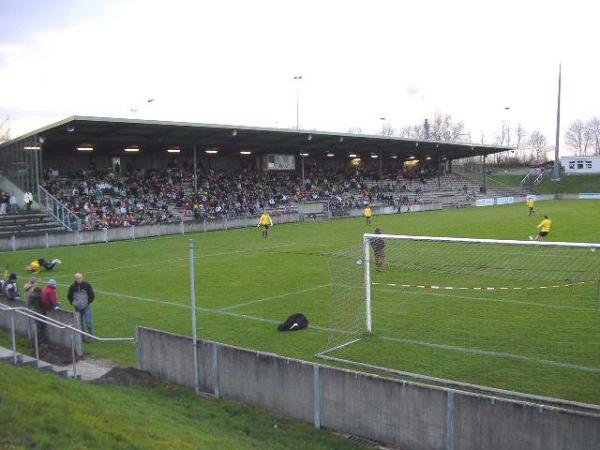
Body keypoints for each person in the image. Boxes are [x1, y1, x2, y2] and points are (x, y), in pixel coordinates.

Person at [67, 273, 95, 337]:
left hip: (86, 307)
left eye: (80, 278)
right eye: (77, 278)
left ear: (82, 278)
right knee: (80, 322)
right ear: (75, 279)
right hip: (77, 308)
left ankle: (91, 335)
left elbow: (92, 295)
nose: (79, 279)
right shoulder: (72, 287)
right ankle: (83, 336)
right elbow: (69, 296)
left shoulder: (87, 285)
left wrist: (88, 302)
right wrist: (73, 303)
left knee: (88, 321)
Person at [25, 277, 45, 344]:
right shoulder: (34, 291)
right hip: (37, 310)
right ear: (34, 283)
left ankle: (36, 341)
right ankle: (37, 342)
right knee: (39, 326)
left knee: (37, 326)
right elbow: (38, 297)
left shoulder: (30, 290)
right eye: (37, 282)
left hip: (34, 310)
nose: (38, 283)